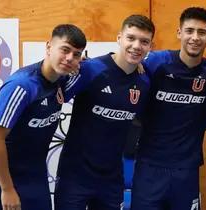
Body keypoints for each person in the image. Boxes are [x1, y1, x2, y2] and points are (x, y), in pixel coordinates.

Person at [130, 7, 206, 210]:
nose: (195, 37)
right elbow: (120, 63)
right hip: (150, 167)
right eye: (189, 31)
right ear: (179, 33)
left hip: (187, 169)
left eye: (201, 32)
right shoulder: (156, 62)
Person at [54, 15, 154, 210]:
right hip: (74, 176)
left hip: (111, 178)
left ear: (151, 46)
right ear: (119, 38)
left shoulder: (145, 81)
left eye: (144, 42)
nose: (136, 46)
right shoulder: (90, 69)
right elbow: (52, 89)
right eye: (130, 38)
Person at [0, 24, 86, 210]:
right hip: (8, 178)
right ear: (49, 47)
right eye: (65, 50)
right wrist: (7, 188)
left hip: (36, 176)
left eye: (76, 54)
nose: (69, 58)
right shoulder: (22, 85)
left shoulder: (61, 80)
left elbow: (97, 66)